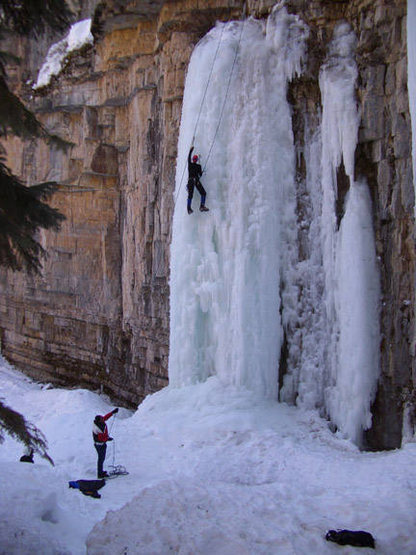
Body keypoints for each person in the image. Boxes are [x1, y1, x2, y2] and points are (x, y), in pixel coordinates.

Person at [92, 408, 118, 478]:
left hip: (101, 444)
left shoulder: (99, 422)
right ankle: (100, 474)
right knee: (101, 459)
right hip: (100, 445)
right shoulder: (98, 429)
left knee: (101, 458)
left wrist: (112, 412)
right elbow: (100, 439)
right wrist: (107, 439)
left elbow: (105, 417)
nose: (103, 419)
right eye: (101, 419)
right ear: (99, 421)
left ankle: (100, 472)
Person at [187, 146, 209, 214]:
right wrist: (201, 172)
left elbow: (188, 158)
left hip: (190, 181)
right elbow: (200, 175)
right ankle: (202, 206)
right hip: (196, 181)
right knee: (203, 193)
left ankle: (189, 208)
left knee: (190, 195)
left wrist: (190, 150)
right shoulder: (199, 166)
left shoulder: (190, 164)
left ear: (192, 159)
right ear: (196, 160)